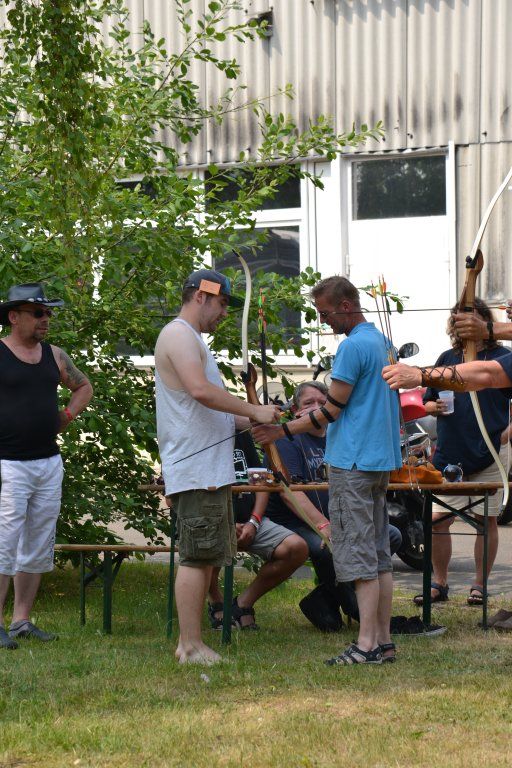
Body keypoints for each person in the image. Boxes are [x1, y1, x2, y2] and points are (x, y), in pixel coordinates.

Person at [253, 276, 402, 665]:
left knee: (359, 556)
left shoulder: (352, 346)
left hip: (353, 462)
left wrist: (281, 430)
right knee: (378, 554)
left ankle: (367, 645)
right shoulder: (382, 342)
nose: (324, 321)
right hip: (379, 461)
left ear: (346, 306)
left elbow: (331, 410)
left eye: (325, 313)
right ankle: (383, 641)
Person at [155, 268, 281, 665]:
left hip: (208, 470)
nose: (225, 313)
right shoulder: (178, 335)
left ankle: (192, 644)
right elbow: (200, 391)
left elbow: (215, 411)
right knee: (196, 558)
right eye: (223, 303)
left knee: (205, 557)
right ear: (201, 295)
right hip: (196, 471)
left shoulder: (191, 339)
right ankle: (189, 646)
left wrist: (259, 420)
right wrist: (254, 410)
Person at [262, 380, 403, 632]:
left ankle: (323, 598)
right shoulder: (286, 440)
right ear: (295, 410)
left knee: (390, 535)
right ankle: (358, 611)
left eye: (322, 402)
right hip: (294, 523)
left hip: (336, 518)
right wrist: (323, 525)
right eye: (309, 403)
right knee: (328, 548)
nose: (316, 407)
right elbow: (290, 493)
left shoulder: (337, 437)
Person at [0, 282, 93, 651]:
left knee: (38, 543)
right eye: (38, 312)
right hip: (7, 464)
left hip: (48, 463)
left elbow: (84, 387)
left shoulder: (55, 355)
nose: (46, 319)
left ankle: (21, 621)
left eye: (48, 312)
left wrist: (66, 416)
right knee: (4, 542)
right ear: (14, 316)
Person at [413, 299, 512, 608]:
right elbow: (426, 399)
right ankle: (439, 583)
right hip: (451, 454)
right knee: (437, 520)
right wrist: (432, 406)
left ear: (483, 321)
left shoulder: (502, 357)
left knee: (486, 520)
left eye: (470, 318)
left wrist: (508, 431)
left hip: (491, 450)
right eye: (458, 319)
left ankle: (479, 585)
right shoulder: (447, 358)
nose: (463, 325)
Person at [207, 431, 308, 630]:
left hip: (250, 520)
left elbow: (261, 481)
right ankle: (216, 602)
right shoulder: (199, 433)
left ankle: (242, 604)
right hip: (212, 520)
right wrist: (225, 524)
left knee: (296, 548)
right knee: (207, 544)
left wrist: (254, 521)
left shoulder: (240, 433)